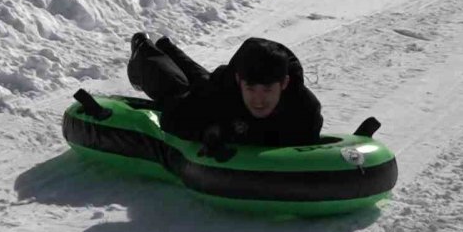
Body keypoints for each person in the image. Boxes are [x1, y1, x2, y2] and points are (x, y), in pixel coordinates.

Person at [126, 33, 323, 158]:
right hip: (216, 89)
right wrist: (207, 131)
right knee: (176, 92)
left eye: (268, 90)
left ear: (284, 84)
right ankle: (143, 51)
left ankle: (168, 47)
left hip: (219, 85)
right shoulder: (224, 89)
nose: (259, 100)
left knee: (204, 82)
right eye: (251, 89)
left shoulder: (305, 109)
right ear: (239, 82)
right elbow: (172, 119)